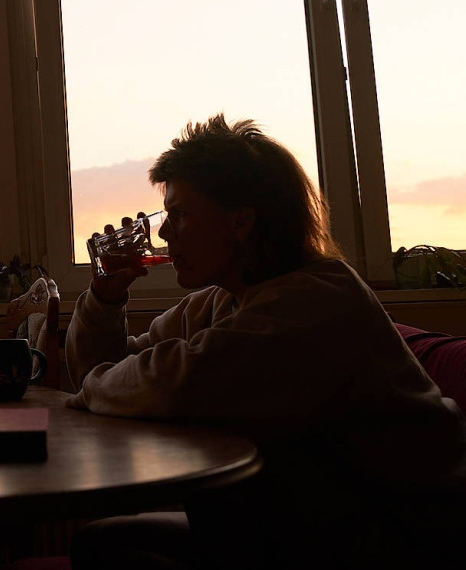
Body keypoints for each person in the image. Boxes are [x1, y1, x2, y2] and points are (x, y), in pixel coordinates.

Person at [64, 114, 466, 570]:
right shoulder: (223, 299)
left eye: (179, 215)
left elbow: (168, 383)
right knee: (101, 543)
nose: (162, 232)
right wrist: (105, 297)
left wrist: (97, 386)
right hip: (300, 527)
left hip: (396, 537)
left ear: (240, 221)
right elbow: (112, 373)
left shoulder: (314, 301)